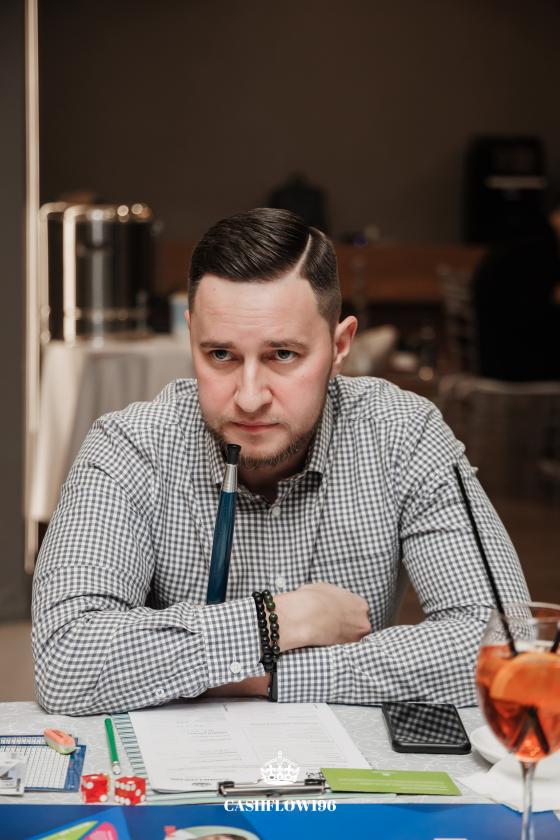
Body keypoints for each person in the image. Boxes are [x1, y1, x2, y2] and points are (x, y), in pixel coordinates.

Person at [32, 208, 528, 716]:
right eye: (220, 355)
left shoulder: (404, 434)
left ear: (339, 346)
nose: (249, 398)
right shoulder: (128, 446)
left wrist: (260, 676)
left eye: (283, 355)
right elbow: (66, 661)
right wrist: (280, 620)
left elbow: (508, 646)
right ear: (191, 336)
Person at [473, 197, 560, 381]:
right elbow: (534, 319)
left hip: (493, 362)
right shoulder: (536, 249)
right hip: (521, 369)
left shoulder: (522, 238)